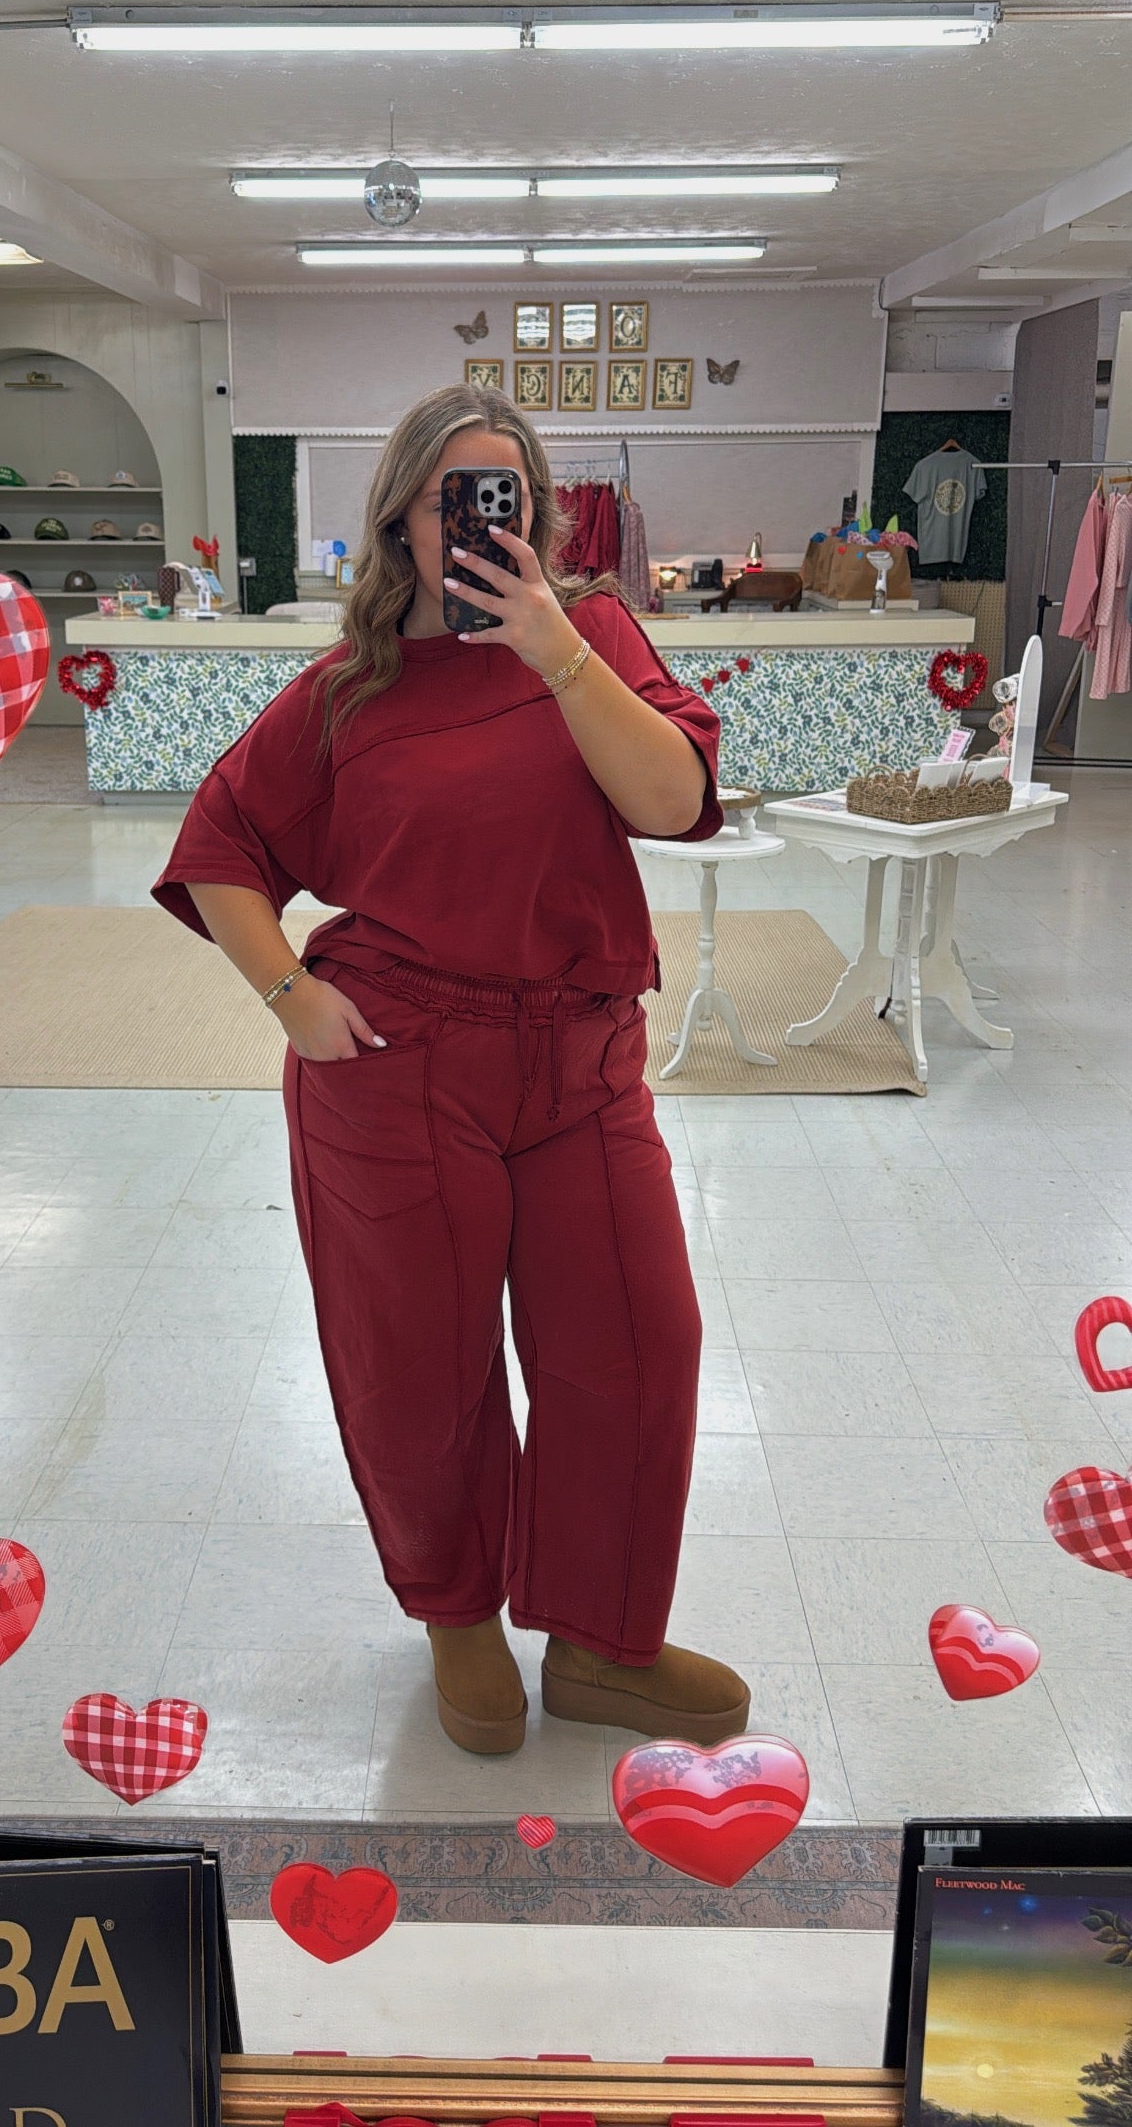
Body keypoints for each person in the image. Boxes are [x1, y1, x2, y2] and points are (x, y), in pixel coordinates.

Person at [152, 383, 750, 1757]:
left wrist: (554, 647)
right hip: (403, 1062)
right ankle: (458, 1614)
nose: (483, 519)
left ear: (536, 513)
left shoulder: (592, 633)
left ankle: (601, 1640)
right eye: (453, 498)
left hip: (585, 1056)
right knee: (419, 1366)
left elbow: (673, 801)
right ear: (403, 522)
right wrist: (292, 995)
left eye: (508, 495)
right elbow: (220, 846)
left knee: (640, 1342)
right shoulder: (346, 692)